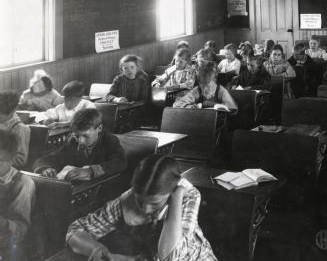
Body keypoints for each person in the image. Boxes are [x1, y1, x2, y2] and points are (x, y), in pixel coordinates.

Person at [66, 155, 216, 261]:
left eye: (155, 204)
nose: (146, 209)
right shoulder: (129, 199)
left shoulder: (187, 197)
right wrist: (95, 249)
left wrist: (177, 198)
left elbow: (170, 257)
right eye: (140, 201)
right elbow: (76, 228)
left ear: (172, 191)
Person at [32, 108, 127, 181]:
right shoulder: (73, 141)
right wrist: (45, 168)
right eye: (77, 136)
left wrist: (91, 171)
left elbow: (120, 162)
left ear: (99, 128)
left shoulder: (109, 140)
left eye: (85, 136)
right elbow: (45, 159)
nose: (81, 141)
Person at [0, 130, 35, 261]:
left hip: (7, 247)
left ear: (11, 159)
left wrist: (3, 223)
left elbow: (21, 230)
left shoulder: (23, 183)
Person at [173, 63, 238, 113]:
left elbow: (234, 109)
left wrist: (213, 104)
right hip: (199, 121)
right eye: (202, 85)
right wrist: (191, 106)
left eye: (207, 85)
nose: (204, 88)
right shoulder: (197, 90)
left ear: (214, 81)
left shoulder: (221, 91)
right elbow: (177, 105)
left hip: (218, 123)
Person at [0, 92, 30, 169]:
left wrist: (2, 161)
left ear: (12, 112)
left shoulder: (20, 129)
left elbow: (21, 160)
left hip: (8, 171)